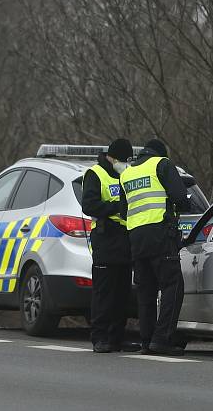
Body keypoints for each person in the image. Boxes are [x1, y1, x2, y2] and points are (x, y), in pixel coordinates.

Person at [120, 138, 191, 356]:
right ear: (161, 153)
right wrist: (183, 204)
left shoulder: (127, 174)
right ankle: (162, 339)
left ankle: (146, 340)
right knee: (173, 286)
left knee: (146, 292)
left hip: (136, 239)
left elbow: (124, 211)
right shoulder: (162, 164)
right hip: (160, 235)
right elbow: (180, 197)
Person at [81, 138, 140, 353]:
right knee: (104, 291)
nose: (124, 164)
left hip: (126, 238)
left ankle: (117, 337)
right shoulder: (95, 174)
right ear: (111, 157)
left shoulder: (126, 174)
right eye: (122, 160)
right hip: (106, 237)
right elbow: (89, 205)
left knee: (122, 292)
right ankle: (100, 337)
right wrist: (116, 207)